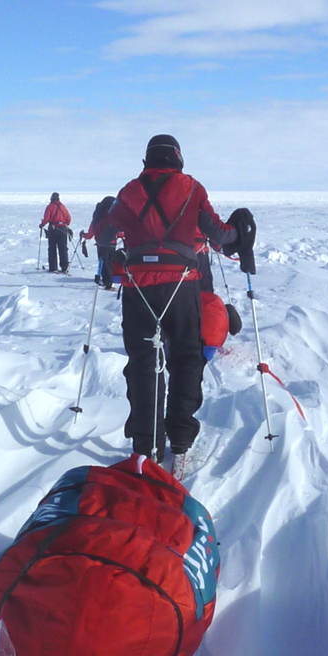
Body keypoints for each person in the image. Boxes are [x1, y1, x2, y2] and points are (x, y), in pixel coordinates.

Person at [99, 134, 251, 476]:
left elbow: (106, 235)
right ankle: (180, 442)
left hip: (138, 290)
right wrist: (240, 233)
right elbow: (218, 234)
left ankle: (146, 449)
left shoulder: (128, 191)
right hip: (181, 287)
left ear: (147, 160)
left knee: (143, 365)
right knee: (185, 360)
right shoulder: (192, 188)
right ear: (179, 159)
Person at [81, 195, 118, 290]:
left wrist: (84, 235)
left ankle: (107, 282)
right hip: (113, 243)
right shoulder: (114, 216)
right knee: (110, 262)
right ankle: (109, 280)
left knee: (103, 262)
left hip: (102, 243)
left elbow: (91, 233)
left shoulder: (98, 217)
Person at [40, 192, 72, 273]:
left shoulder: (50, 207)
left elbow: (46, 218)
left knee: (52, 248)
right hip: (63, 229)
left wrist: (42, 224)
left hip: (53, 229)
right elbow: (68, 218)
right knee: (63, 248)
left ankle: (53, 267)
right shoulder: (62, 206)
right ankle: (64, 266)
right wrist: (64, 224)